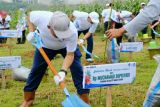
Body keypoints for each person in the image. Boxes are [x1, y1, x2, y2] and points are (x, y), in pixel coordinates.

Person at [20, 11, 90, 107]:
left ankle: (84, 100)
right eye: (59, 34)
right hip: (44, 46)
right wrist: (32, 32)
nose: (62, 37)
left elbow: (70, 55)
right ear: (49, 27)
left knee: (78, 70)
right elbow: (30, 16)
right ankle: (28, 100)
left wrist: (63, 71)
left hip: (66, 48)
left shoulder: (73, 32)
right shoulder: (41, 18)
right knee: (36, 70)